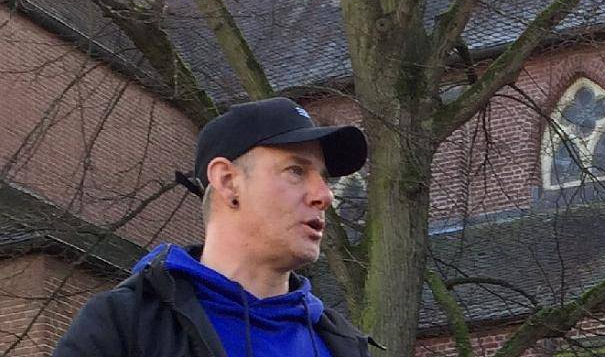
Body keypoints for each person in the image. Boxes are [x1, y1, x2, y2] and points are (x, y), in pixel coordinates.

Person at [54, 97, 378, 357]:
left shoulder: (345, 344)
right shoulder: (124, 326)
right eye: (296, 171)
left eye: (324, 178)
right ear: (227, 181)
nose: (324, 195)